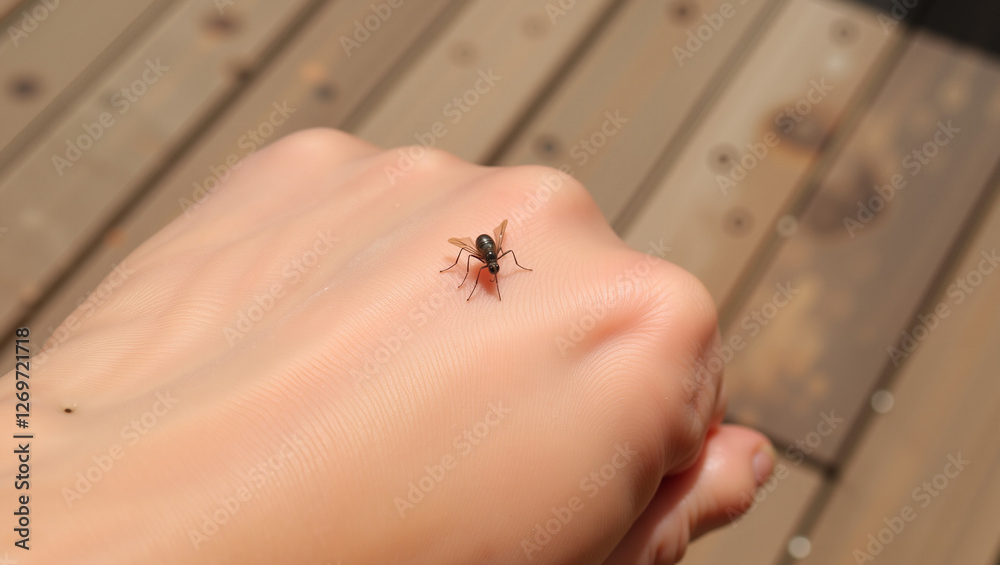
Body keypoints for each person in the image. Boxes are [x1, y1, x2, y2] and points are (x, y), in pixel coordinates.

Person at [11, 129, 774, 564]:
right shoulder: (477, 259)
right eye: (488, 262)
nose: (491, 264)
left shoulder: (491, 255)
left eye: (492, 262)